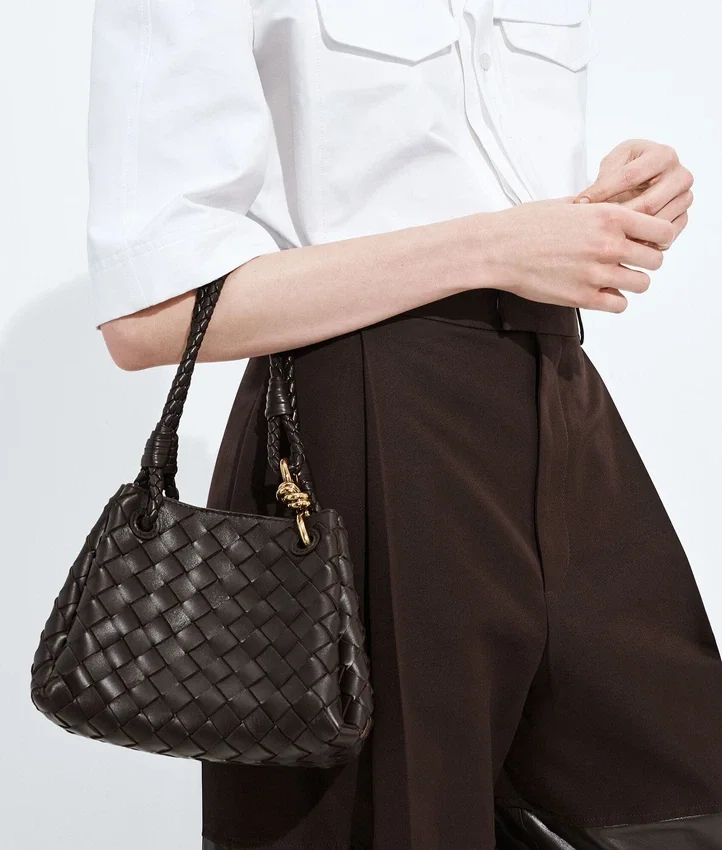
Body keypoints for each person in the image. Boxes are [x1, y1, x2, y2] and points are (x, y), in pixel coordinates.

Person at [85, 1, 720, 848]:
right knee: (409, 820)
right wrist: (493, 247)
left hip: (564, 399)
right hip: (366, 424)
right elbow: (147, 317)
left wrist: (614, 206)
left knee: (676, 805)